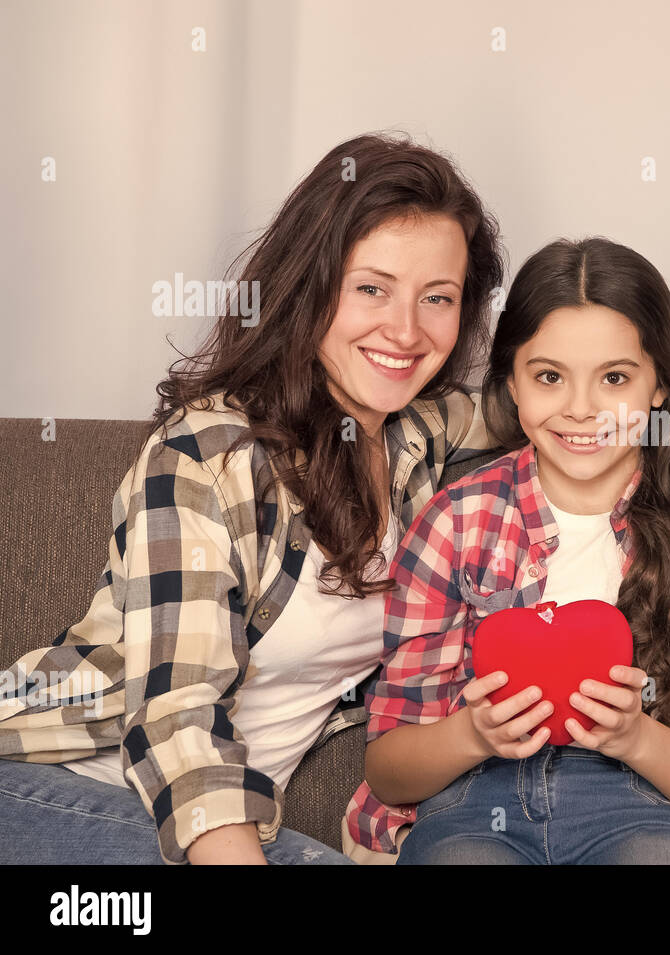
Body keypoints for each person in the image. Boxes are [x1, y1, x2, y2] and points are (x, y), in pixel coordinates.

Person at [0, 133, 509, 865]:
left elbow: (559, 400)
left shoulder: (416, 433)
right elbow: (180, 721)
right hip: (61, 790)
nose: (405, 329)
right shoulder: (206, 453)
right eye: (371, 287)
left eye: (438, 298)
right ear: (311, 284)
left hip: (224, 818)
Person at [343, 237, 670, 864]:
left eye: (615, 378)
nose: (581, 409)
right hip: (473, 799)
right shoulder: (458, 521)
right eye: (548, 377)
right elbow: (389, 768)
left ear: (658, 387)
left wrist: (635, 737)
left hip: (636, 799)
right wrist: (472, 732)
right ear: (512, 384)